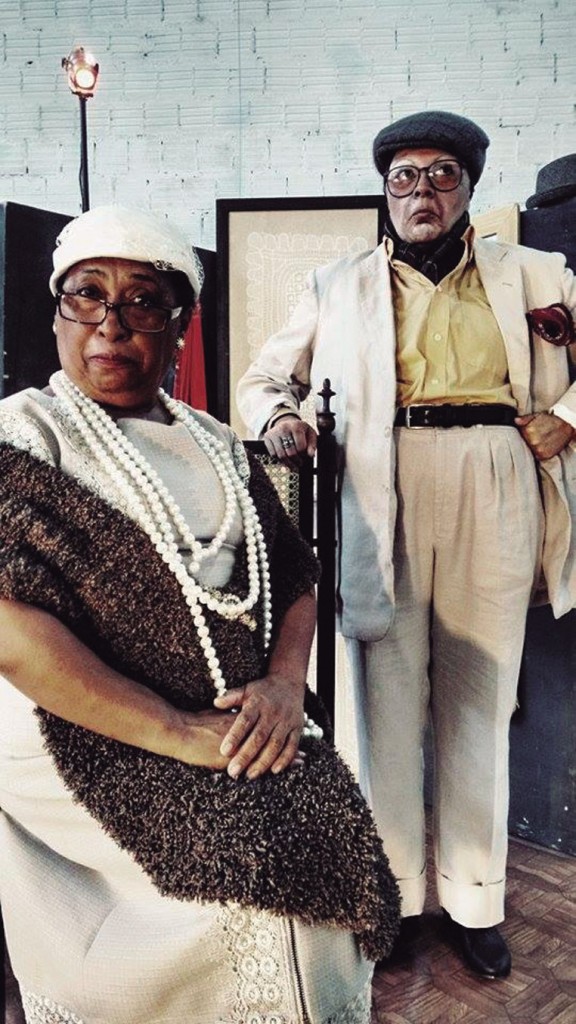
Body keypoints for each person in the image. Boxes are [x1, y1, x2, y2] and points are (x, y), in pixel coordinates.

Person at [0, 205, 401, 1024]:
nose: (112, 323)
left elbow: (295, 576)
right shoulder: (24, 434)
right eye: (87, 294)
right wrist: (176, 730)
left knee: (320, 824)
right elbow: (9, 630)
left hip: (234, 714)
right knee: (262, 868)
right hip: (75, 725)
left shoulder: (215, 440)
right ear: (57, 314)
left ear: (180, 327)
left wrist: (284, 685)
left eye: (143, 302)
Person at [237, 110, 576, 979]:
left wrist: (568, 416)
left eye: (441, 175)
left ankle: (474, 901)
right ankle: (394, 898)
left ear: (468, 187)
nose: (422, 192)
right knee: (384, 706)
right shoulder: (335, 283)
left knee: (481, 698)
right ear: (386, 192)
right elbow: (263, 379)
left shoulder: (537, 273)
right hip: (379, 482)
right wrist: (279, 419)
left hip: (495, 470)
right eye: (405, 178)